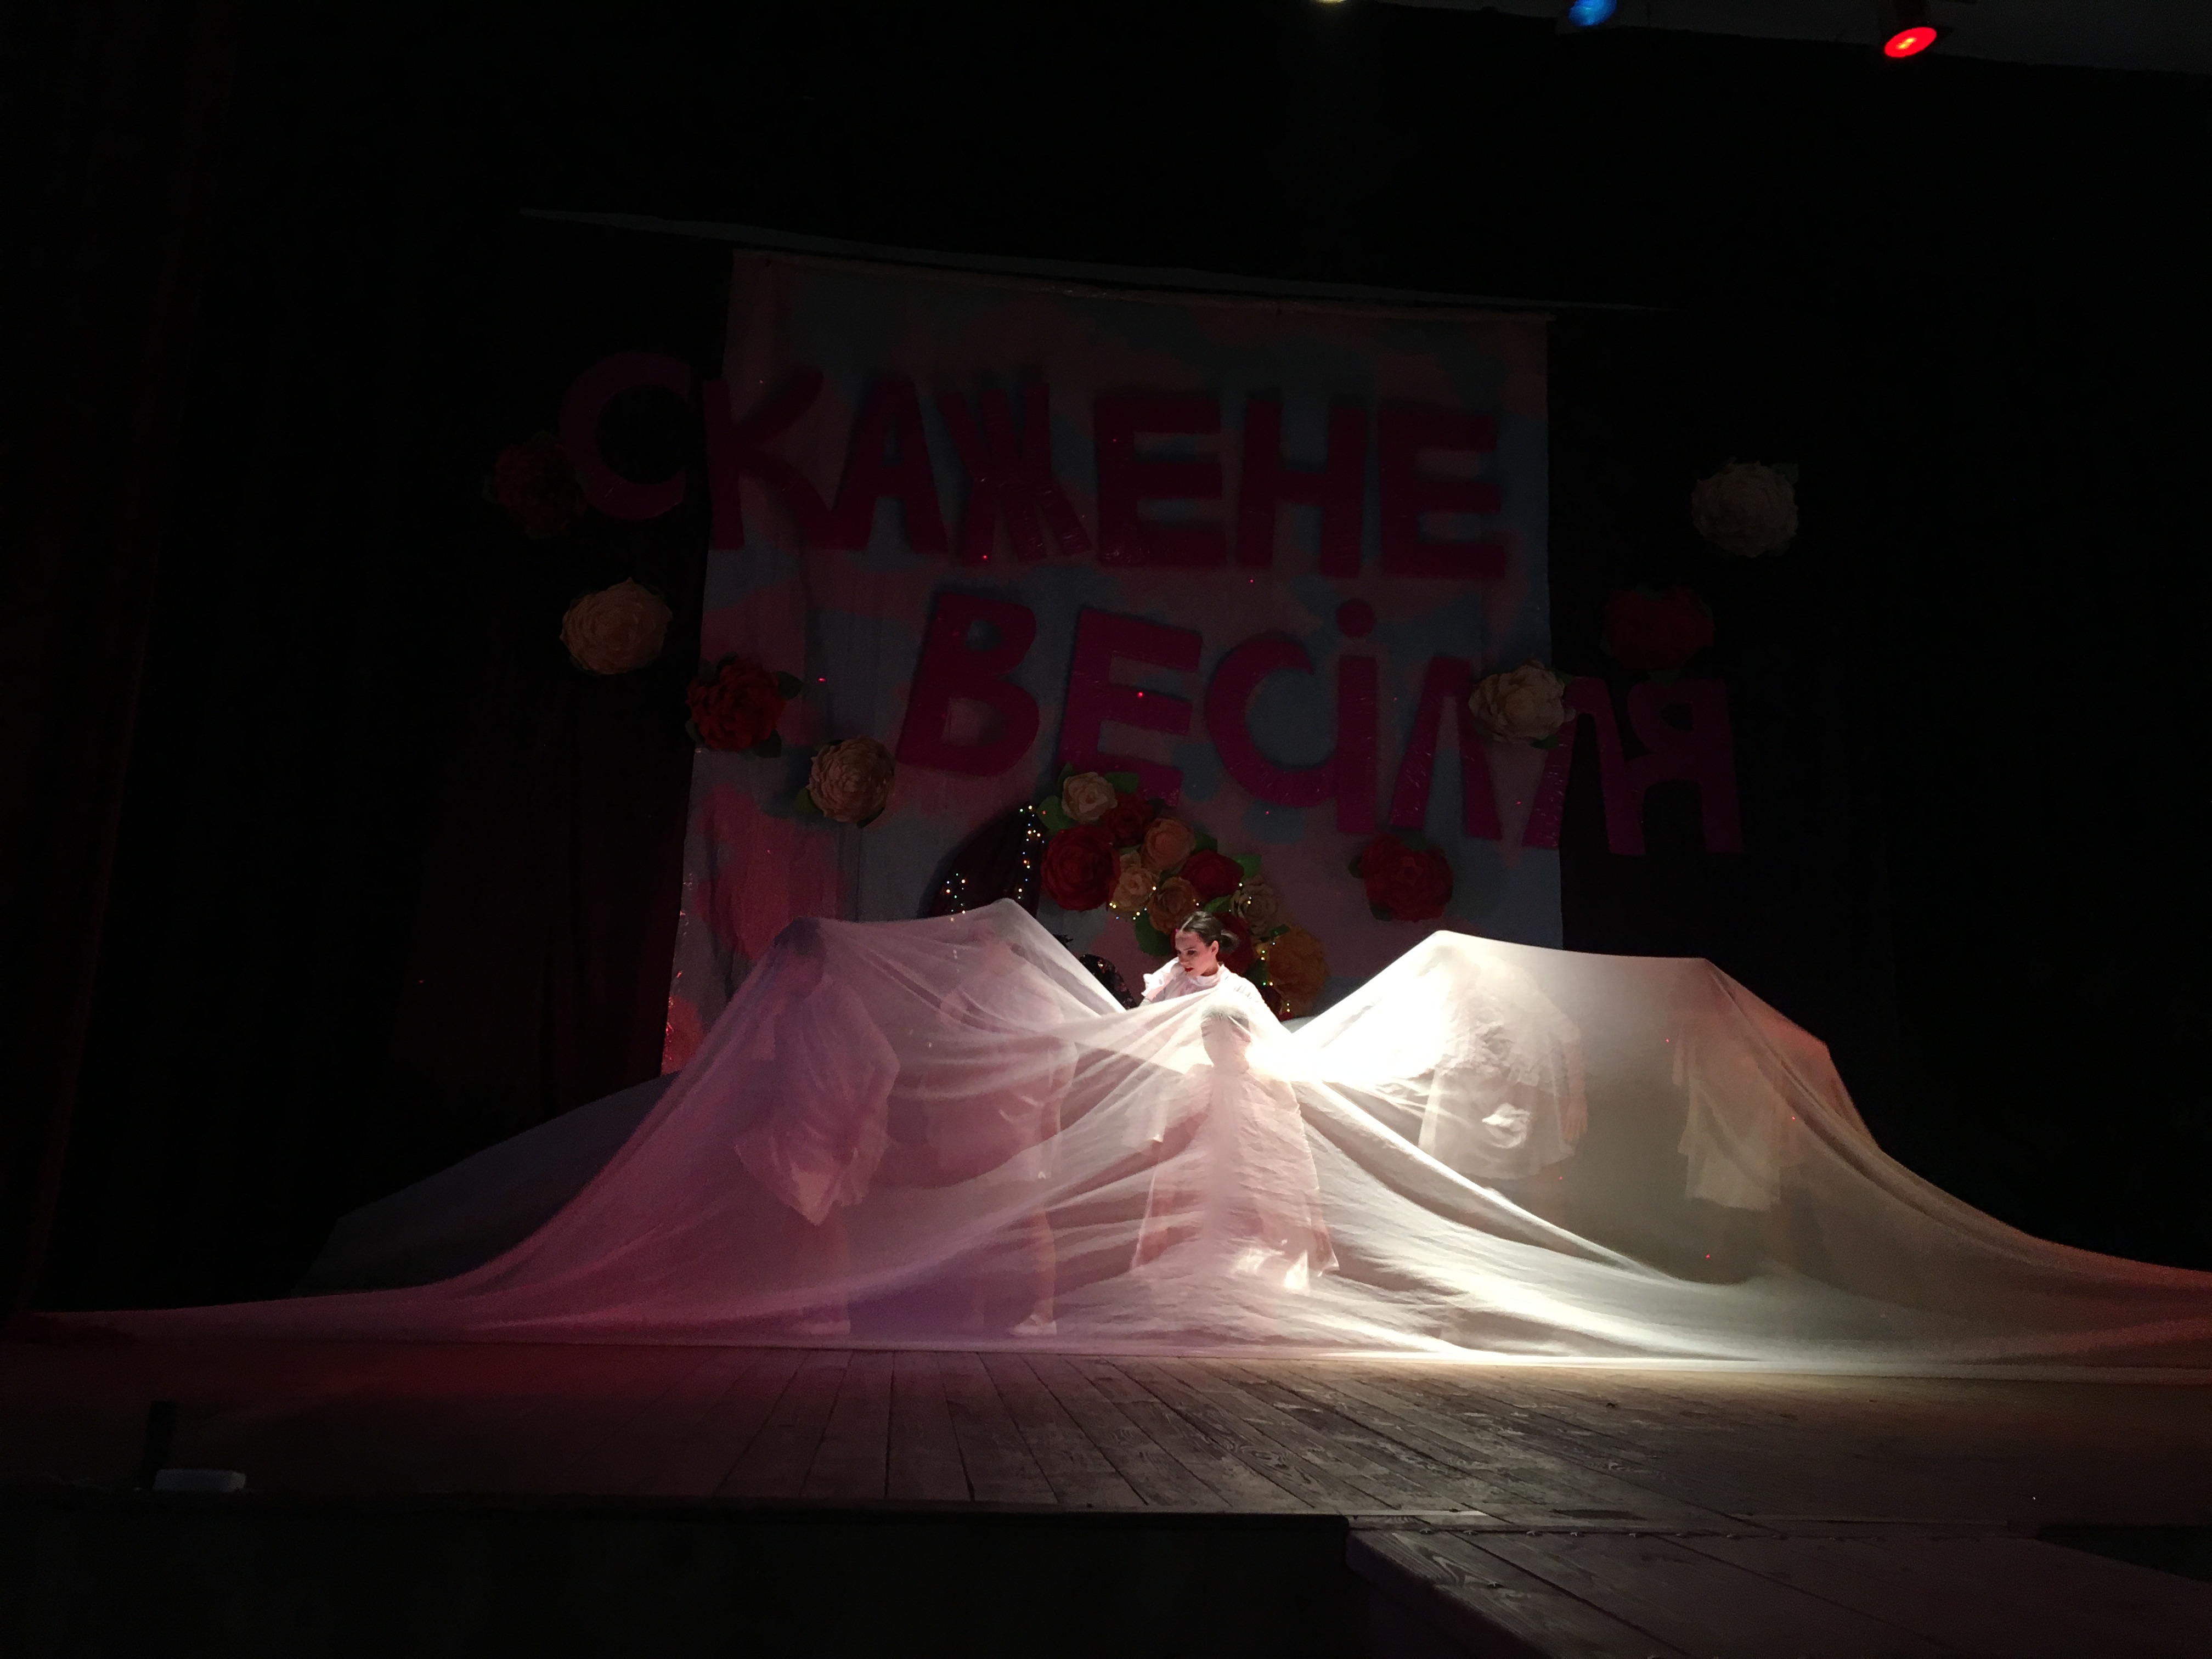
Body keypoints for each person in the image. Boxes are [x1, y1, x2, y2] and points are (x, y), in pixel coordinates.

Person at [1132, 912, 1336, 1288]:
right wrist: (1158, 1217)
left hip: (1237, 1087)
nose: (1184, 960)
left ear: (1214, 949)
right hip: (1186, 1081)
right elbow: (1146, 1023)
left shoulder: (1239, 993)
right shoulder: (1174, 979)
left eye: (1192, 952)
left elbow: (1294, 1149)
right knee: (1186, 1170)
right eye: (1179, 952)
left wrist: (1315, 1216)